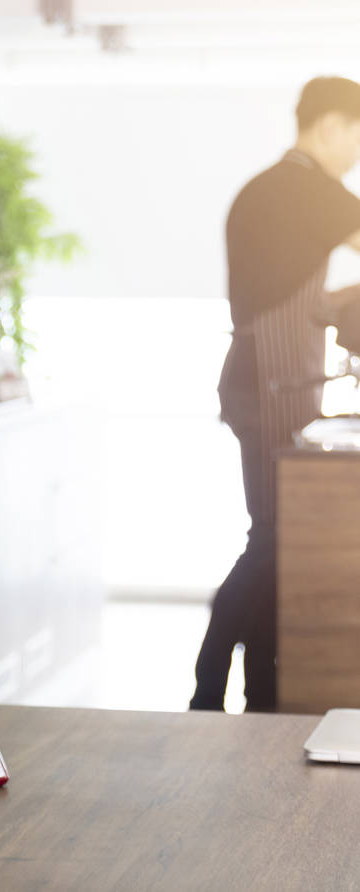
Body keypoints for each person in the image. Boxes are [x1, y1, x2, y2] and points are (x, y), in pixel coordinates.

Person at [190, 76, 360, 712]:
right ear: (332, 125)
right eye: (357, 137)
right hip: (270, 382)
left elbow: (294, 297)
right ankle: (208, 686)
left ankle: (261, 691)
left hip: (261, 379)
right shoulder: (312, 189)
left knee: (275, 539)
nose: (356, 155)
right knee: (276, 539)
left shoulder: (267, 190)